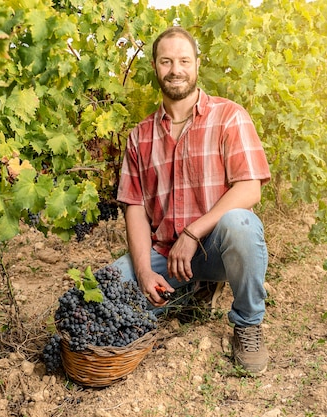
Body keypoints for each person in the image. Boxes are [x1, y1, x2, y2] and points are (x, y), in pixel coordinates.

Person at [112, 26, 271, 374]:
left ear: (197, 64)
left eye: (184, 60)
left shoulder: (229, 116)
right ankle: (186, 293)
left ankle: (247, 324)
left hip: (214, 248)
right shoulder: (139, 137)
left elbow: (249, 190)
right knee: (104, 295)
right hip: (165, 256)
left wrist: (193, 232)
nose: (176, 69)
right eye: (166, 61)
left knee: (241, 223)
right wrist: (141, 272)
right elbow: (135, 209)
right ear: (155, 67)